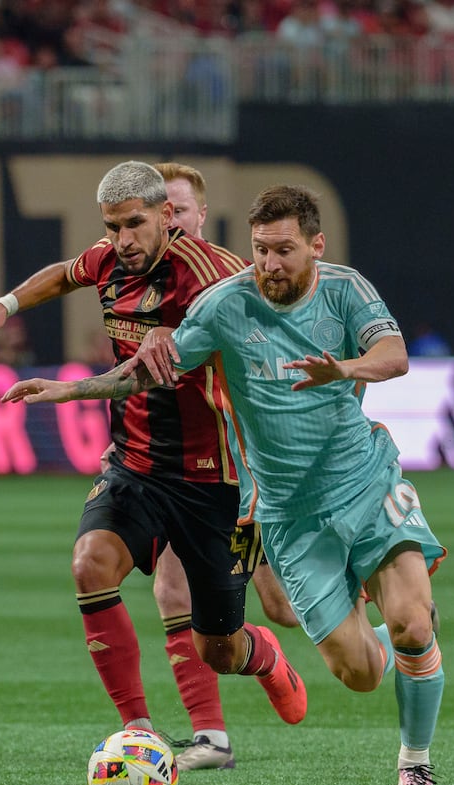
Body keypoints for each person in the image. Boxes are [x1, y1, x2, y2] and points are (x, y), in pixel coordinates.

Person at [6, 185, 448, 785]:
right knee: (361, 673)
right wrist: (68, 391)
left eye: (284, 251)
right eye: (261, 250)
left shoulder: (346, 288)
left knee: (408, 626)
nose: (269, 264)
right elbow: (149, 371)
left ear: (316, 246)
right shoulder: (224, 305)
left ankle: (415, 762)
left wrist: (343, 369)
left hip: (365, 480)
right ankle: (394, 631)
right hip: (290, 514)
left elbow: (394, 355)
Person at [0, 161, 308, 772]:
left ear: (167, 217)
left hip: (213, 479)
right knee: (90, 564)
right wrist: (4, 305)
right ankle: (139, 735)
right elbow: (65, 275)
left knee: (220, 646)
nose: (122, 240)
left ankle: (265, 659)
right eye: (112, 227)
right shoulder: (111, 258)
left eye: (134, 225)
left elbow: (277, 316)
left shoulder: (213, 273)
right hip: (137, 465)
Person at [154, 162, 300, 644]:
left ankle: (392, 608)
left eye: (180, 210)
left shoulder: (236, 285)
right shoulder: (131, 282)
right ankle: (210, 721)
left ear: (202, 215)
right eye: (162, 211)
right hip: (178, 467)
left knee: (280, 604)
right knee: (173, 592)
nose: (170, 221)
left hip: (236, 466)